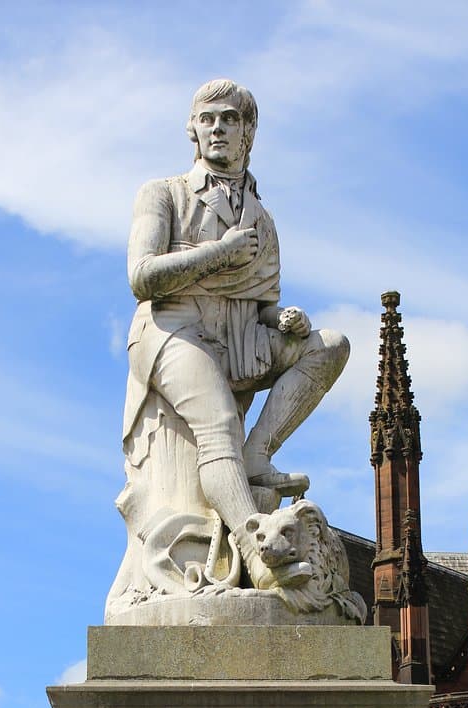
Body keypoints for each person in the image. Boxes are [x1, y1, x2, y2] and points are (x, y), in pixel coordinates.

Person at [122, 78, 350, 587]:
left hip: (240, 337)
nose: (218, 128)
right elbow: (142, 278)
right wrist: (220, 253)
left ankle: (258, 451)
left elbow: (262, 303)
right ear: (193, 131)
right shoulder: (163, 194)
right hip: (173, 328)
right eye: (208, 119)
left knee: (330, 346)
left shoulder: (262, 219)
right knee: (219, 422)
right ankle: (254, 547)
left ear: (249, 132)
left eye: (230, 119)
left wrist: (287, 322)